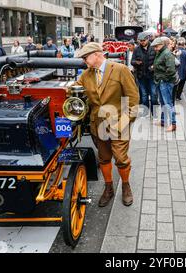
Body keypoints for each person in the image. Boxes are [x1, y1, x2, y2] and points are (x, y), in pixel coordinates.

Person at [76, 42, 139, 207]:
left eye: (85, 57)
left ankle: (126, 186)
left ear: (97, 54)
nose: (84, 61)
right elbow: (73, 91)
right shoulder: (85, 75)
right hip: (98, 125)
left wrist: (124, 123)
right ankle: (108, 188)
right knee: (103, 159)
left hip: (119, 124)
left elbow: (133, 100)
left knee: (121, 158)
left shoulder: (120, 69)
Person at [151, 37, 177, 132]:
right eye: (154, 47)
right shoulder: (160, 53)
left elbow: (171, 70)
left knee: (168, 103)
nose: (155, 48)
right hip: (161, 81)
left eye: (156, 46)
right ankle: (163, 121)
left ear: (162, 44)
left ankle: (173, 124)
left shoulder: (167, 53)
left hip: (165, 82)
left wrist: (163, 79)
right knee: (163, 102)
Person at [132, 32, 157, 118]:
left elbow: (158, 61)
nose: (142, 42)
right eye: (140, 41)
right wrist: (136, 62)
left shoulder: (154, 48)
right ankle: (145, 113)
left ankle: (154, 113)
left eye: (143, 40)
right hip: (141, 76)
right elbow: (132, 61)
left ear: (148, 39)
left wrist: (154, 66)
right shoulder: (136, 49)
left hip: (152, 75)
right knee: (144, 95)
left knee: (153, 94)